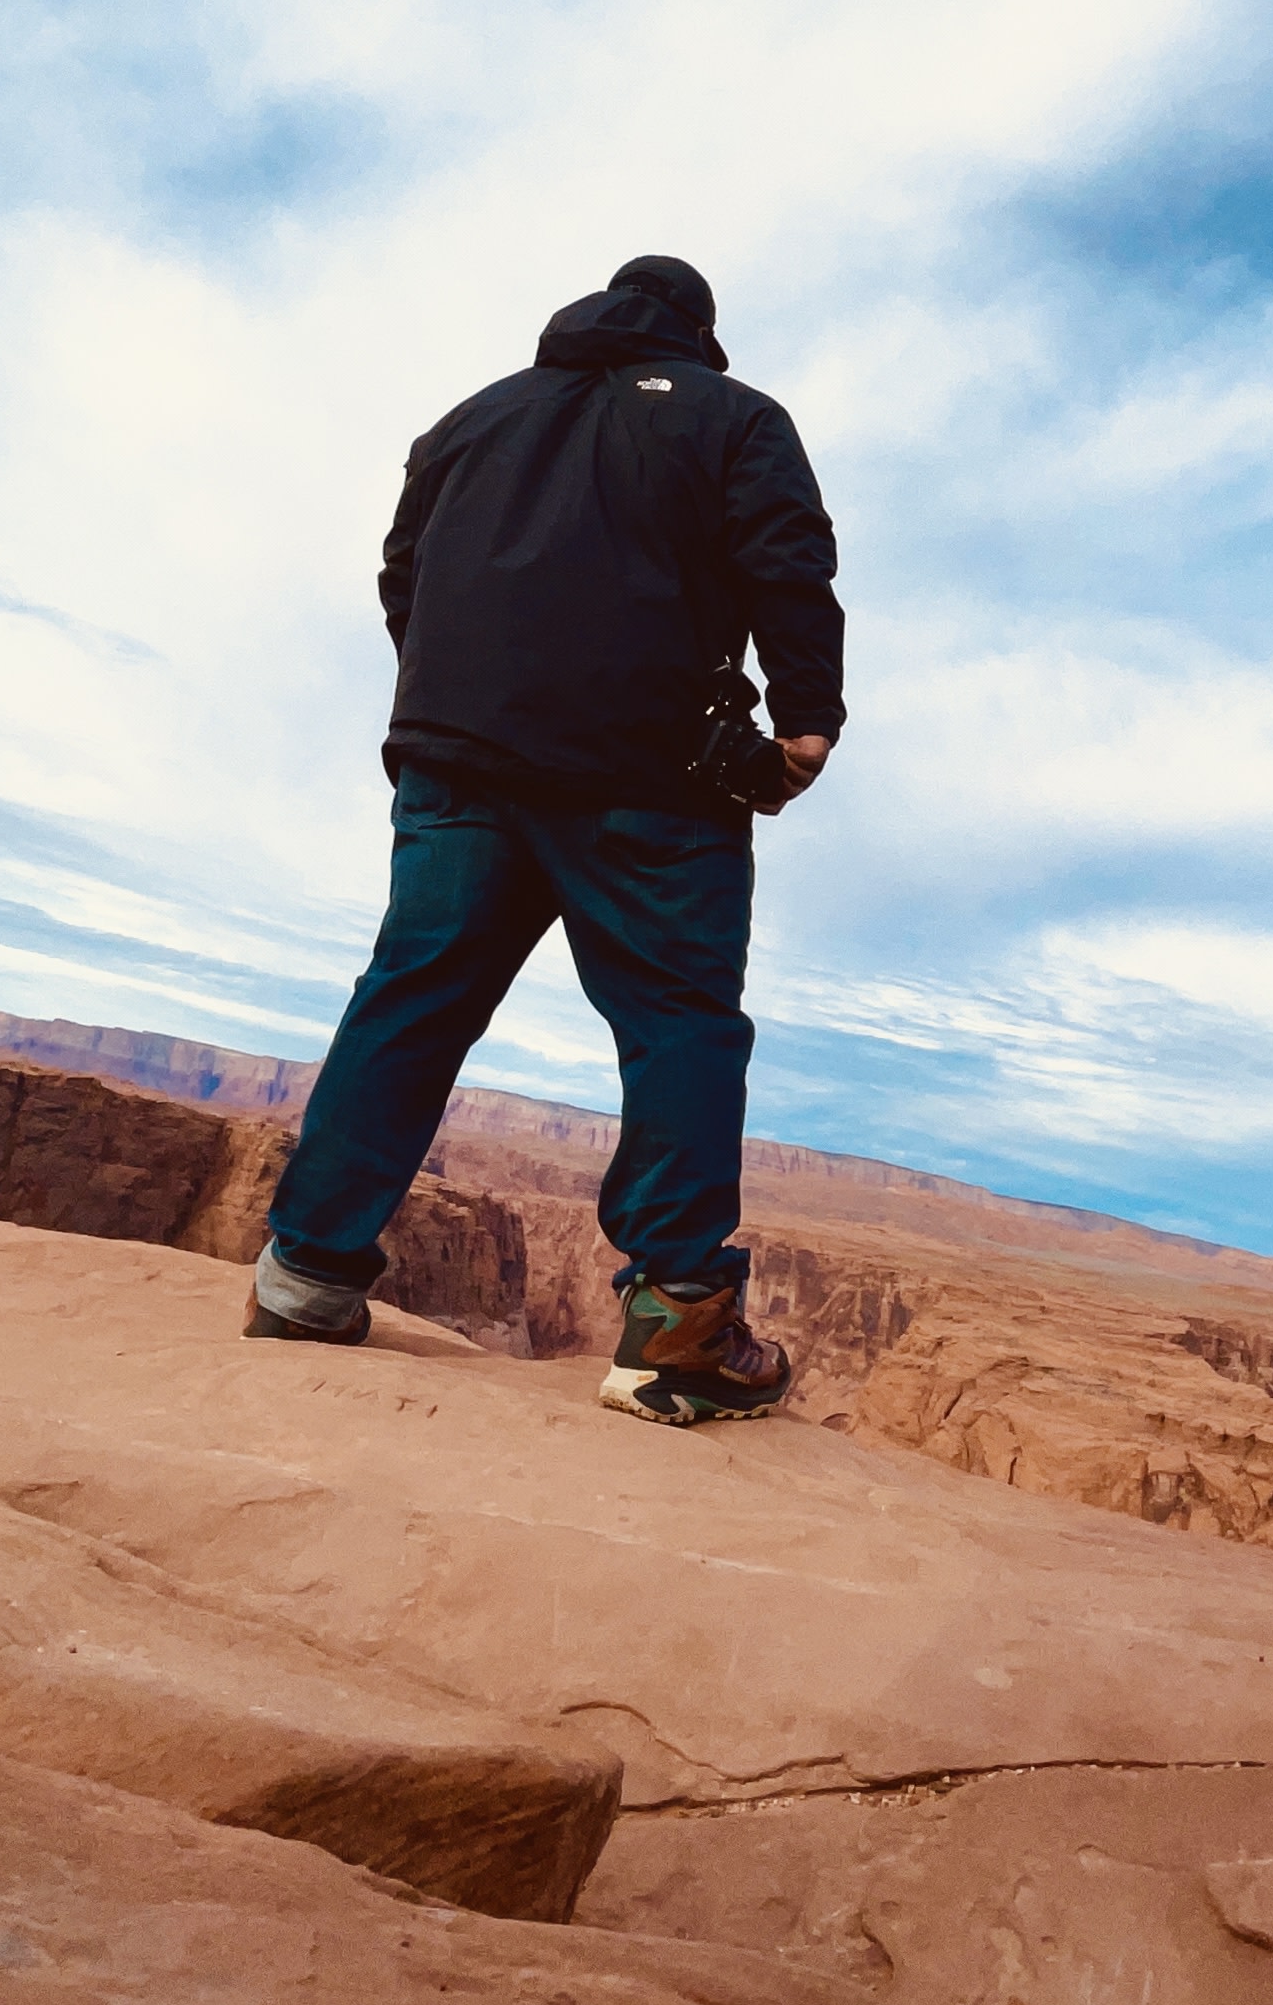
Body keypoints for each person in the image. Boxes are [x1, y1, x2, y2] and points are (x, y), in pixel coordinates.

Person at [245, 253, 844, 1428]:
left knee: (412, 998)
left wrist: (468, 691)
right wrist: (807, 719)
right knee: (677, 1023)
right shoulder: (736, 419)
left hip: (460, 765)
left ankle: (305, 1276)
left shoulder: (470, 420)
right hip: (650, 779)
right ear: (696, 336)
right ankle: (678, 1332)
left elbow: (403, 575)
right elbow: (787, 562)